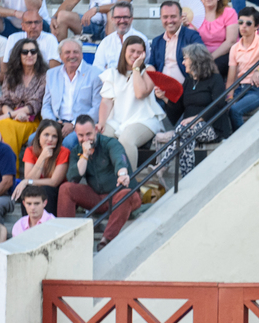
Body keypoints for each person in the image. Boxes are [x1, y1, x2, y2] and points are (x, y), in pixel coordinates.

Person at [59, 114, 141, 250]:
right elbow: (73, 177)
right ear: (76, 134)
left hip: (119, 194)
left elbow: (119, 158)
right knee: (66, 188)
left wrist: (122, 174)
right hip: (99, 198)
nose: (85, 139)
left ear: (96, 129)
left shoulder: (110, 143)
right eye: (81, 135)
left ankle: (106, 240)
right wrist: (85, 155)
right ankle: (66, 237)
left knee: (126, 193)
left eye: (89, 134)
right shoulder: (76, 151)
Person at [158, 45, 233, 180]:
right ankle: (188, 178)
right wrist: (164, 98)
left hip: (213, 127)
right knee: (185, 138)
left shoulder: (215, 79)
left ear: (196, 60)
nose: (183, 62)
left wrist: (197, 118)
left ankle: (163, 166)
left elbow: (219, 104)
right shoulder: (188, 81)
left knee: (183, 130)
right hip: (190, 129)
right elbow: (178, 109)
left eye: (185, 59)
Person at [98, 35, 166, 171]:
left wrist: (136, 69)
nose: (135, 55)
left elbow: (140, 93)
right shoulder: (112, 73)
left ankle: (130, 183)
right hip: (118, 119)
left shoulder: (149, 70)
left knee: (126, 140)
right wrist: (101, 122)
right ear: (124, 51)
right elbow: (106, 101)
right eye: (132, 51)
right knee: (102, 138)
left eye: (139, 52)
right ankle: (108, 180)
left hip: (144, 118)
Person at [146, 1, 205, 125]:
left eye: (173, 16)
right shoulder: (157, 41)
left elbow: (202, 58)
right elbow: (151, 63)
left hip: (185, 90)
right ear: (161, 18)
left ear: (180, 17)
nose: (169, 20)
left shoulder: (191, 36)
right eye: (165, 17)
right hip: (162, 92)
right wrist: (152, 72)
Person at [42, 38, 102, 151]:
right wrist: (53, 123)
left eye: (76, 52)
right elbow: (46, 105)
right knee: (33, 140)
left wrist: (74, 125)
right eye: (67, 52)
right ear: (60, 56)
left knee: (67, 144)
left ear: (82, 54)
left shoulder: (95, 74)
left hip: (82, 125)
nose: (72, 55)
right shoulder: (51, 74)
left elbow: (97, 108)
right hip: (57, 122)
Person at [0, 38, 46, 157]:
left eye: (33, 51)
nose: (29, 55)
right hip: (14, 116)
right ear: (18, 55)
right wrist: (13, 115)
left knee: (3, 125)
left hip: (32, 119)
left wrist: (8, 116)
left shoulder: (44, 76)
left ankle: (9, 170)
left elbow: (35, 104)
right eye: (25, 52)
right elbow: (4, 101)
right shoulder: (10, 75)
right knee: (3, 125)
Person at [225, 7, 259, 130]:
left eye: (248, 23)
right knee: (223, 108)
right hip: (239, 89)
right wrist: (230, 97)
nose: (243, 26)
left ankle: (240, 142)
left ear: (256, 26)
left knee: (235, 110)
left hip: (258, 89)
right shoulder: (235, 48)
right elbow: (231, 79)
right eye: (240, 22)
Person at [13, 119, 68, 212]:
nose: (50, 139)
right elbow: (29, 177)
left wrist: (27, 182)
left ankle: (47, 224)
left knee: (45, 189)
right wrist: (42, 157)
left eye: (54, 136)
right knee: (27, 190)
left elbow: (54, 182)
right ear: (38, 136)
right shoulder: (30, 151)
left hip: (56, 194)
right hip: (38, 193)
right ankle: (28, 224)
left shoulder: (64, 152)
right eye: (46, 135)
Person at [190, 0, 239, 78]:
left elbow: (231, 41)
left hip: (225, 53)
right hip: (201, 54)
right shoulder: (193, 15)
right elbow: (191, 39)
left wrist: (211, 57)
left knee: (212, 67)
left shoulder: (229, 12)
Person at [0, 10, 60, 79]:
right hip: (18, 79)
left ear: (41, 25)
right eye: (29, 23)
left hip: (43, 79)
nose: (33, 26)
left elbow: (54, 68)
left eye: (37, 22)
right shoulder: (13, 38)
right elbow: (7, 65)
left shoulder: (50, 39)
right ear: (23, 26)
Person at [91, 2, 147, 73]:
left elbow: (145, 66)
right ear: (112, 19)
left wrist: (109, 69)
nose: (122, 21)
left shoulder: (142, 39)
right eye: (118, 17)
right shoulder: (106, 42)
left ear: (131, 19)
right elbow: (97, 69)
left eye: (125, 17)